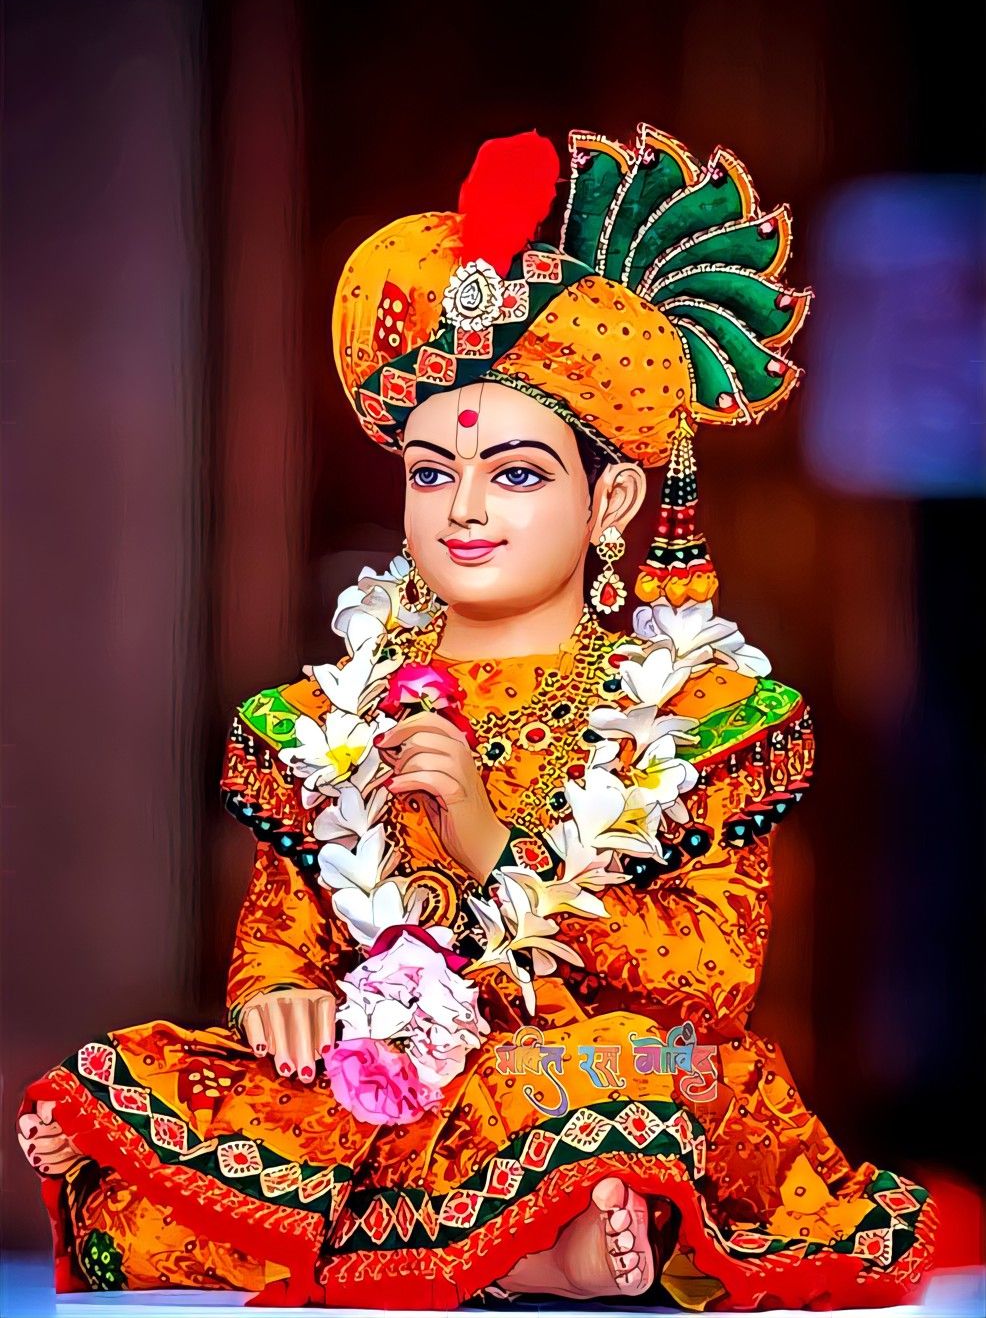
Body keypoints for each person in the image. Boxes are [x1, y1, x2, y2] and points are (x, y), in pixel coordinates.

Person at [17, 124, 937, 1310]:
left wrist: (497, 848)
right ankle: (514, 1248)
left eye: (514, 474)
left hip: (603, 1065)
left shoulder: (701, 715)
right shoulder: (327, 714)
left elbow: (709, 977)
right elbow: (282, 925)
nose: (461, 509)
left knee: (616, 1078)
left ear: (609, 498)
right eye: (429, 472)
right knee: (134, 1074)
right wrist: (276, 995)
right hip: (382, 1074)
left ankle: (544, 1239)